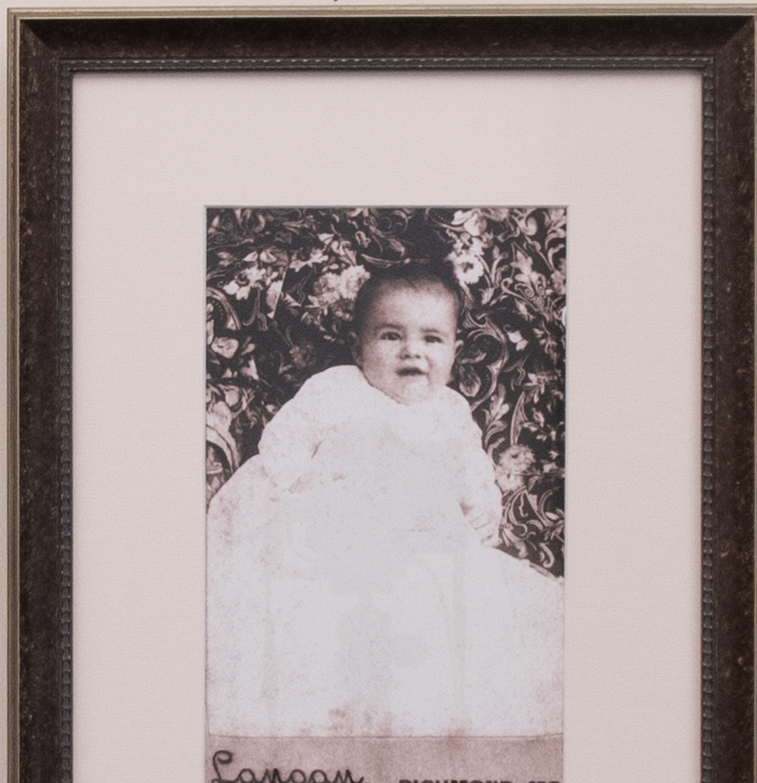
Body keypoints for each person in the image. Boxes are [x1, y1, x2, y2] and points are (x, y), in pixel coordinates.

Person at [207, 262, 563, 738]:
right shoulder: (337, 389)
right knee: (310, 620)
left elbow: (474, 472)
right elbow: (282, 443)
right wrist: (307, 482)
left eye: (432, 339)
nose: (412, 350)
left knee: (457, 619)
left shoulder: (451, 413)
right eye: (391, 336)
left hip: (426, 544)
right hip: (333, 536)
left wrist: (482, 508)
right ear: (359, 347)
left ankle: (422, 709)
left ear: (455, 352)